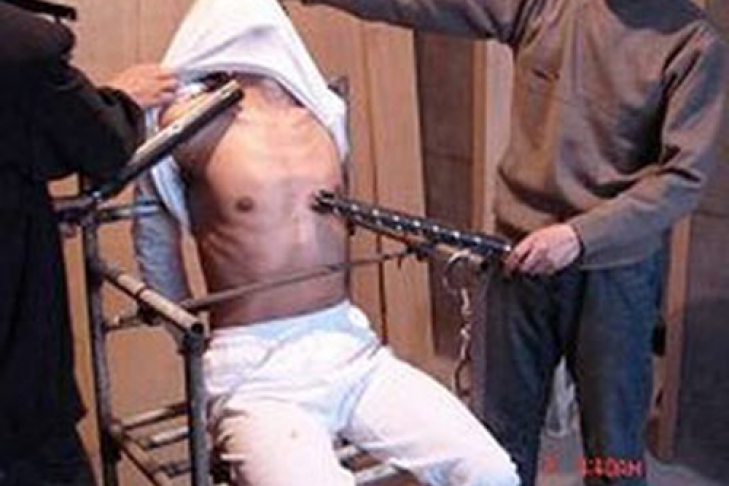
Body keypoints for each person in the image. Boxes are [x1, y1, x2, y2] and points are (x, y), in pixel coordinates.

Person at [290, 0, 729, 484]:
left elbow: (682, 181)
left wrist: (579, 237)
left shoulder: (694, 44)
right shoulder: (546, 6)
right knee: (498, 441)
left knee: (614, 449)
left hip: (614, 276)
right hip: (515, 256)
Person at [133, 0, 519, 485]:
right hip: (255, 373)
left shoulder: (322, 114)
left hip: (349, 347)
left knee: (490, 471)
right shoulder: (185, 124)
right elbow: (155, 244)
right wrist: (190, 340)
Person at [0, 3, 178, 484]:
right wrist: (122, 100)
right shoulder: (21, 47)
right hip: (16, 424)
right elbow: (102, 145)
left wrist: (27, 219)